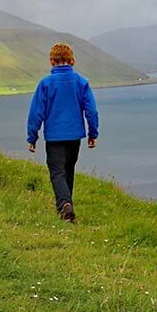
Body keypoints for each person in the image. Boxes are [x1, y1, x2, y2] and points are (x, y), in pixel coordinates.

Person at [27, 43, 99, 222]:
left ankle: (65, 205)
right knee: (68, 170)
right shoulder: (81, 82)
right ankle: (67, 207)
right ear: (71, 60)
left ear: (52, 61)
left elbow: (36, 112)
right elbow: (92, 111)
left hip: (54, 137)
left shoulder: (45, 83)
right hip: (75, 137)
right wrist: (93, 133)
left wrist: (32, 137)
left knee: (57, 172)